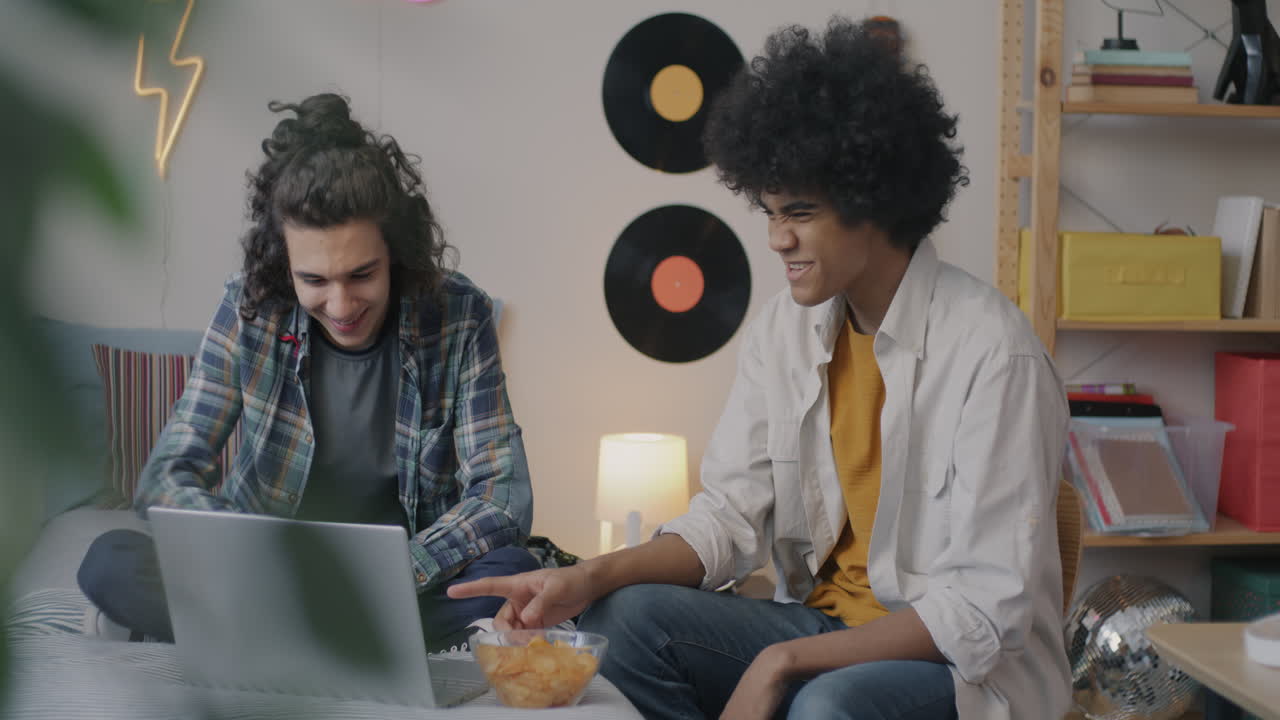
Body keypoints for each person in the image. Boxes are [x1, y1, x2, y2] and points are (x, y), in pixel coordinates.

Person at [450, 17, 1070, 720]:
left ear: (874, 199)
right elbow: (727, 519)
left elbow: (982, 615)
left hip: (961, 671)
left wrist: (782, 660)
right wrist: (585, 576)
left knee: (826, 705)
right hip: (824, 630)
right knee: (623, 619)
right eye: (770, 212)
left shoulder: (995, 353)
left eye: (800, 213)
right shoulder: (784, 330)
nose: (777, 239)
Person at [77, 93, 538, 653]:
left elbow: (501, 497)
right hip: (266, 578)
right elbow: (167, 475)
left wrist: (397, 569)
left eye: (361, 274)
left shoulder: (461, 315)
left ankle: (260, 640)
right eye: (314, 280)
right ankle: (343, 645)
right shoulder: (250, 308)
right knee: (110, 561)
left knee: (514, 569)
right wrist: (253, 555)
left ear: (396, 252)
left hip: (400, 580)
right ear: (283, 266)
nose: (341, 305)